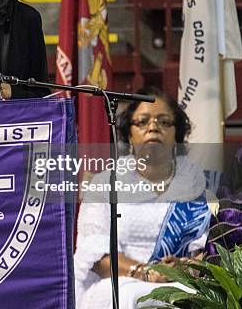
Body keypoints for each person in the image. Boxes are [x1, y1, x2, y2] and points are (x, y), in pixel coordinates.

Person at [74, 87, 211, 309]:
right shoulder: (106, 183)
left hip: (181, 280)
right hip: (118, 281)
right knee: (134, 297)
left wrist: (186, 268)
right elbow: (95, 254)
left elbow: (208, 248)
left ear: (177, 134)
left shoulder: (197, 184)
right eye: (143, 122)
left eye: (164, 121)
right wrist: (146, 272)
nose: (153, 127)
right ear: (129, 133)